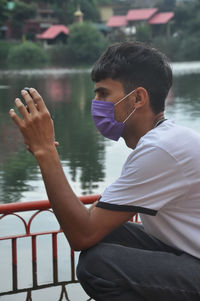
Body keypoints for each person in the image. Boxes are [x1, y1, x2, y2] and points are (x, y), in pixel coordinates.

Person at [9, 42, 200, 301]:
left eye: (102, 93)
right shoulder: (164, 142)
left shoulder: (161, 149)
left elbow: (81, 235)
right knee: (110, 234)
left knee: (97, 266)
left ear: (138, 98)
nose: (95, 103)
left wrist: (46, 153)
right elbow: (92, 225)